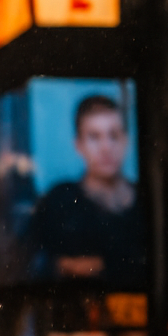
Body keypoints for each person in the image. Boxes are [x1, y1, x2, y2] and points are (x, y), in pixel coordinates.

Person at [25, 94, 144, 289]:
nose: (106, 148)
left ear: (126, 141)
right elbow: (37, 267)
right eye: (94, 137)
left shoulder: (147, 200)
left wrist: (100, 266)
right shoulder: (59, 202)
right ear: (78, 145)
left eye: (113, 135)